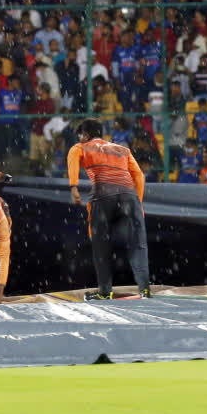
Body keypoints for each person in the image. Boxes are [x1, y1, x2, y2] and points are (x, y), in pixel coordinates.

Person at [68, 118, 150, 301]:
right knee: (138, 244)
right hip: (129, 196)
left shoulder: (80, 147)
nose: (79, 139)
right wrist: (138, 202)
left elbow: (73, 156)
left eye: (80, 135)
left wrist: (73, 186)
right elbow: (139, 176)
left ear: (86, 134)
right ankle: (145, 290)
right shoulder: (122, 149)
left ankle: (105, 292)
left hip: (103, 195)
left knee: (100, 246)